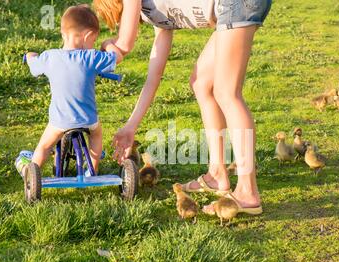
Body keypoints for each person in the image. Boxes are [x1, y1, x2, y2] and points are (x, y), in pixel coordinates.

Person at [94, 0, 272, 214]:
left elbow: (124, 45)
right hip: (230, 8)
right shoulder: (155, 13)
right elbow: (154, 77)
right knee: (202, 83)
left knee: (227, 93)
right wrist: (131, 126)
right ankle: (217, 173)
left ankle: (247, 191)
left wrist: (107, 46)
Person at [16, 5, 123, 176]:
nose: (93, 45)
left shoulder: (50, 57)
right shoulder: (91, 57)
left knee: (44, 146)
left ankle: (32, 173)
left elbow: (34, 66)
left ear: (63, 33)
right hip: (88, 118)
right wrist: (108, 44)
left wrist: (30, 56)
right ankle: (93, 169)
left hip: (60, 121)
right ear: (88, 36)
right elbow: (117, 58)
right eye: (93, 41)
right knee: (96, 134)